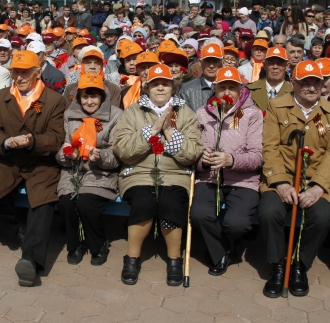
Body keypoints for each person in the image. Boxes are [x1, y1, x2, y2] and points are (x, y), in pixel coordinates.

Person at [0, 51, 67, 286]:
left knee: (42, 203)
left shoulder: (54, 100)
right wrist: (5, 142)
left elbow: (56, 137)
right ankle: (14, 231)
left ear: (38, 72)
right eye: (15, 72)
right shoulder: (1, 98)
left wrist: (33, 142)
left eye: (24, 72)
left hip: (40, 162)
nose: (19, 77)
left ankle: (31, 261)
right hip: (9, 160)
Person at [259, 60, 330, 298]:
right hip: (282, 177)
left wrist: (318, 187)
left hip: (317, 181)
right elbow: (270, 147)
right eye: (305, 83)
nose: (311, 88)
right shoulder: (277, 106)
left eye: (316, 82)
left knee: (323, 216)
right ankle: (278, 266)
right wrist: (281, 183)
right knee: (268, 212)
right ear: (293, 83)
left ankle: (300, 265)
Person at [112, 64, 203, 285]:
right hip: (139, 172)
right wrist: (152, 131)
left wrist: (170, 132)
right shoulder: (133, 112)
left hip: (175, 173)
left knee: (171, 202)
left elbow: (192, 153)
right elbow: (122, 150)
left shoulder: (186, 113)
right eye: (155, 84)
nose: (160, 88)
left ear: (173, 87)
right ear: (147, 87)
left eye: (165, 84)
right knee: (143, 201)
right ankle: (132, 258)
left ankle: (174, 259)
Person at [191, 67, 263, 275]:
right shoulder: (202, 113)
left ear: (241, 89)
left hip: (242, 180)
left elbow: (258, 156)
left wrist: (232, 160)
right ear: (215, 88)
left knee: (237, 224)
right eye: (222, 87)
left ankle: (225, 247)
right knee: (199, 215)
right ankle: (223, 252)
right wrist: (202, 161)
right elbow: (193, 150)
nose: (227, 92)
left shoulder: (252, 114)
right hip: (209, 178)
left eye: (232, 87)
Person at [56, 73, 123, 265]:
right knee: (67, 203)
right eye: (85, 96)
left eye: (94, 96)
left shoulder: (116, 115)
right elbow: (62, 147)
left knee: (86, 203)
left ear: (102, 96)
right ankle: (74, 244)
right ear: (79, 97)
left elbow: (117, 152)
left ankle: (98, 243)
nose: (89, 101)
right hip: (73, 169)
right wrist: (67, 155)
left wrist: (100, 157)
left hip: (101, 170)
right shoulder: (69, 115)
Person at [178, 43, 223, 110]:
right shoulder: (187, 89)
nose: (211, 66)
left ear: (222, 63)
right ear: (200, 62)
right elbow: (182, 115)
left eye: (215, 61)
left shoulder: (230, 88)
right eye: (207, 61)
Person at [247, 46, 291, 114]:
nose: (275, 67)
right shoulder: (248, 91)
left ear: (287, 66)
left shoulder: (293, 93)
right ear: (264, 65)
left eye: (280, 63)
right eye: (271, 63)